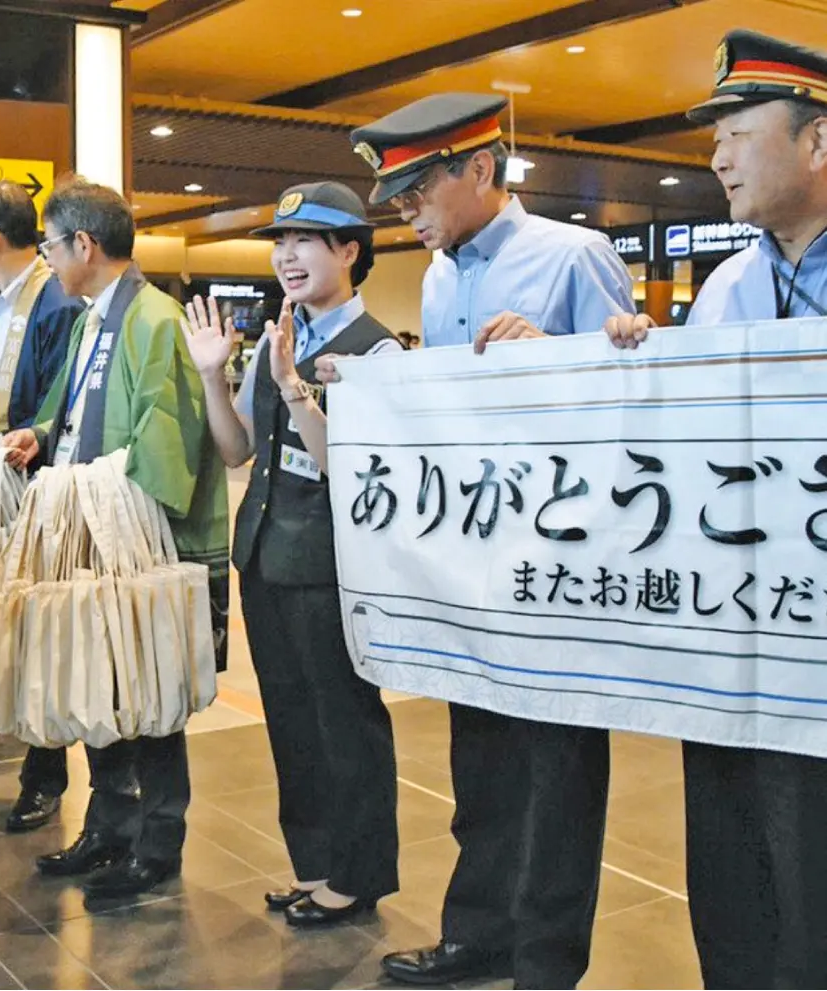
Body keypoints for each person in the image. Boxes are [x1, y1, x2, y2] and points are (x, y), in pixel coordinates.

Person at [328, 93, 635, 989]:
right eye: (397, 199)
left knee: (558, 777)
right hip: (476, 564)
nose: (407, 212)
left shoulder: (575, 256)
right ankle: (478, 931)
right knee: (484, 763)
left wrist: (555, 354)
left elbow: (630, 411)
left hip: (560, 565)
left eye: (419, 189)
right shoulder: (437, 277)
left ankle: (546, 960)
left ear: (480, 170)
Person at [604, 29, 827, 988]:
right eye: (713, 140)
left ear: (817, 141)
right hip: (733, 638)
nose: (718, 155)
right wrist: (639, 364)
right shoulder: (728, 286)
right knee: (734, 849)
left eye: (738, 131)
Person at [182, 182, 400, 925]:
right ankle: (314, 864)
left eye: (307, 240)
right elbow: (237, 445)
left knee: (344, 721)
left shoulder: (376, 348)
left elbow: (354, 466)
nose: (287, 255)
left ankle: (358, 871)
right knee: (292, 723)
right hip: (267, 556)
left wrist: (296, 391)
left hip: (331, 567)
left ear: (349, 251)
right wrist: (215, 374)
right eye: (280, 241)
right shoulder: (285, 336)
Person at [6, 176, 229, 901]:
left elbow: (167, 445)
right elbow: (64, 412)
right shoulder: (90, 318)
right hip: (90, 531)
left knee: (150, 693)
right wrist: (35, 435)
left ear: (84, 244)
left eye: (49, 245)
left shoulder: (154, 318)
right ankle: (109, 825)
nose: (47, 258)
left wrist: (103, 502)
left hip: (134, 539)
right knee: (99, 686)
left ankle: (157, 841)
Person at [0, 181, 84, 833]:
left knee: (34, 623)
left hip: (21, 477)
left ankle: (44, 772)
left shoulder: (54, 299)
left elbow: (57, 405)